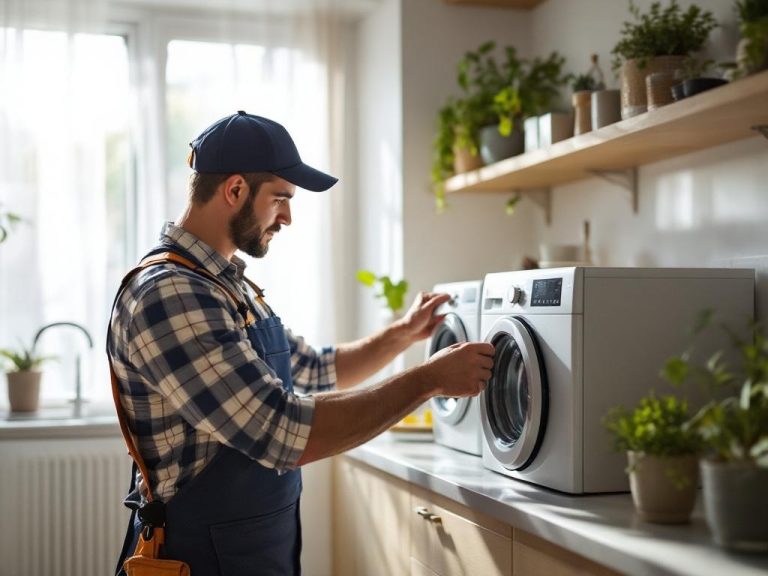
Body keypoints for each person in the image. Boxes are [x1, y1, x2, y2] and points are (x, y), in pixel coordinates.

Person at [106, 110, 494, 576]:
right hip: (197, 558)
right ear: (235, 190)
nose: (287, 217)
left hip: (253, 553)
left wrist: (403, 334)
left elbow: (314, 368)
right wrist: (427, 381)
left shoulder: (228, 287)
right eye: (281, 199)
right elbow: (279, 431)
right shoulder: (171, 293)